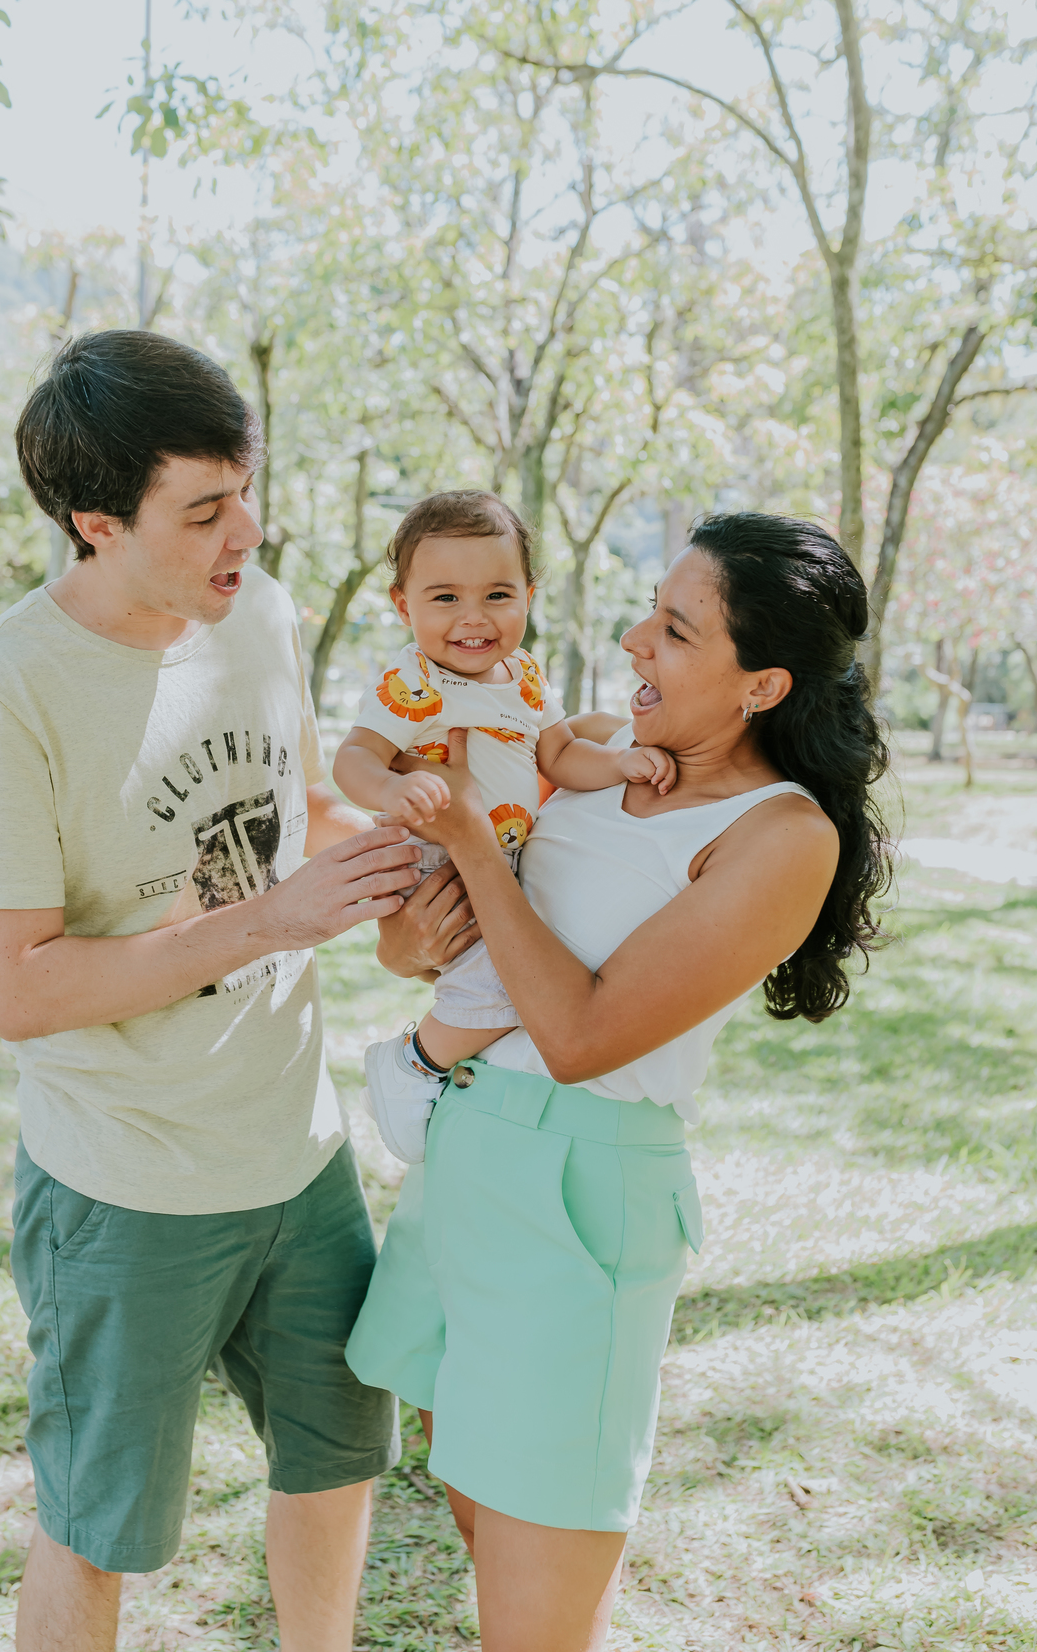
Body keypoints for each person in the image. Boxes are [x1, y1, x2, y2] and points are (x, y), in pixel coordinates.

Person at [0, 330, 426, 1652]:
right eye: (204, 510)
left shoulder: (255, 612)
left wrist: (407, 870)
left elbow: (295, 811)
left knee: (338, 1460)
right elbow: (18, 988)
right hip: (126, 1188)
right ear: (95, 523)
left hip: (299, 1156)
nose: (244, 532)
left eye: (245, 490)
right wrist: (271, 917)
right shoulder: (3, 689)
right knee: (100, 1529)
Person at [350, 512, 893, 1652]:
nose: (635, 639)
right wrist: (409, 937)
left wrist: (473, 846)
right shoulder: (595, 752)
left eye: (677, 629)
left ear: (762, 685)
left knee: (535, 1604)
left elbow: (581, 1035)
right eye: (651, 610)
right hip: (463, 1155)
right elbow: (437, 940)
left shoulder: (779, 836)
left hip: (579, 1201)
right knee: (485, 1528)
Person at [332, 490, 674, 1161]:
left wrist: (618, 762)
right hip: (431, 854)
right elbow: (354, 757)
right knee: (510, 980)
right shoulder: (414, 681)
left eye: (497, 595)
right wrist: (395, 787)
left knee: (533, 963)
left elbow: (561, 755)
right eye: (445, 598)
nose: (474, 618)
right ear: (403, 606)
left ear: (529, 596)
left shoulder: (525, 679)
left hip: (499, 855)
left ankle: (457, 1072)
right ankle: (414, 1064)